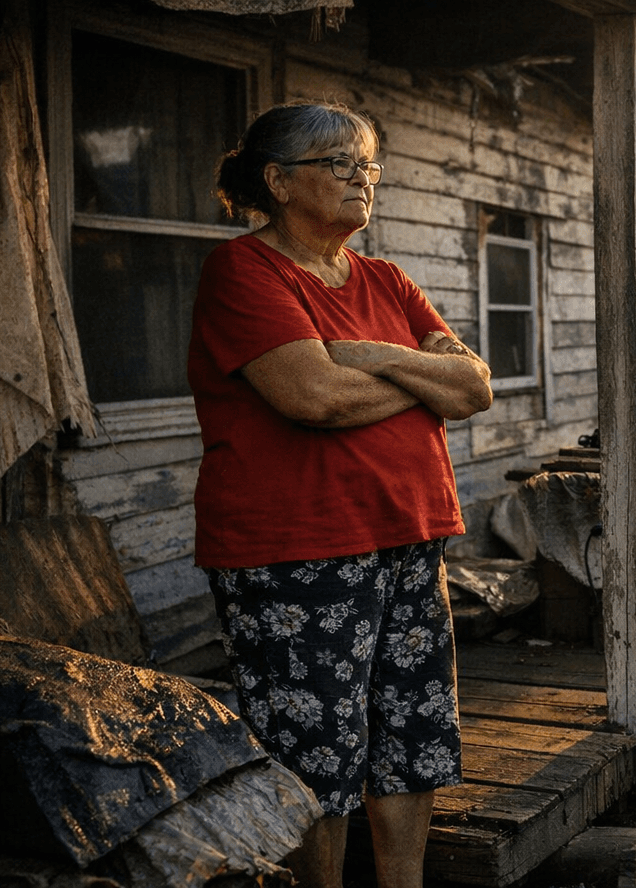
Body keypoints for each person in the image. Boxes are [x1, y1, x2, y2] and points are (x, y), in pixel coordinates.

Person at [188, 101, 493, 888]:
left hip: (410, 533)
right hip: (299, 549)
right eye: (340, 164)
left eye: (368, 165)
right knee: (314, 746)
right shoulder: (244, 271)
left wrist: (372, 355)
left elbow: (474, 389)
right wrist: (422, 377)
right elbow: (313, 399)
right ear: (279, 182)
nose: (363, 179)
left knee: (410, 737)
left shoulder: (386, 279)